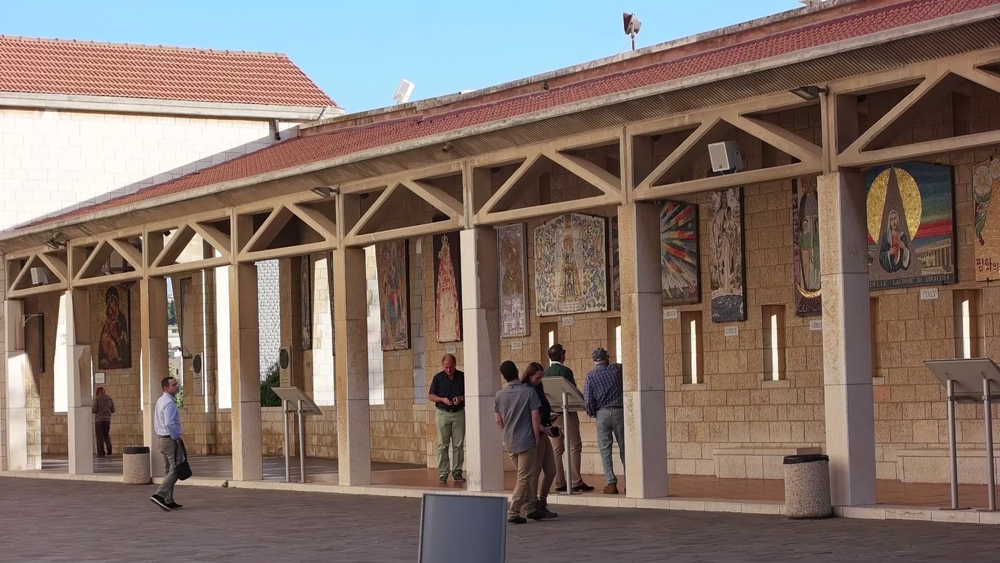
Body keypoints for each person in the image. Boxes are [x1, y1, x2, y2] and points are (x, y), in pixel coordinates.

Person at [494, 361, 544, 524]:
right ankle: (513, 511)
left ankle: (530, 507)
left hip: (510, 440)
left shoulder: (499, 395)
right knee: (523, 477)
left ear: (503, 376)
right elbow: (535, 416)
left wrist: (505, 433)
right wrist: (536, 436)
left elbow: (497, 419)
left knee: (525, 474)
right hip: (526, 439)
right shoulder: (529, 392)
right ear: (517, 371)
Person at [542, 344, 592, 492]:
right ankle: (576, 480)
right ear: (562, 355)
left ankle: (559, 482)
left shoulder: (545, 372)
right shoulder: (565, 371)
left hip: (552, 414)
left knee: (557, 449)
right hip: (567, 412)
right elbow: (572, 391)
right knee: (574, 445)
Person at [583, 348, 625, 494]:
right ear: (607, 357)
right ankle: (630, 482)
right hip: (619, 410)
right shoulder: (616, 369)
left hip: (602, 413)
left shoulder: (590, 376)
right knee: (625, 448)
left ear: (594, 361)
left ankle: (611, 483)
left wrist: (593, 413)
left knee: (605, 450)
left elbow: (588, 400)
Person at [520, 362, 558, 518]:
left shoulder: (538, 388)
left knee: (551, 470)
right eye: (537, 377)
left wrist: (548, 419)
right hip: (535, 434)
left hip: (543, 432)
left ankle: (542, 500)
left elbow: (540, 412)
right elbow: (530, 416)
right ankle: (533, 503)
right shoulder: (526, 390)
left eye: (541, 377)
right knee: (534, 471)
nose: (539, 380)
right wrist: (542, 428)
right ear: (529, 375)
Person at [428, 354, 465, 483]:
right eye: (446, 367)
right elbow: (431, 396)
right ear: (443, 366)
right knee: (442, 445)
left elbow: (470, 394)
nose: (449, 370)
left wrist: (460, 398)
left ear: (455, 364)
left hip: (458, 412)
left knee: (458, 445)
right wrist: (442, 399)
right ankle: (443, 473)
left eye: (451, 367)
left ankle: (457, 472)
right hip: (442, 412)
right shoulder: (437, 378)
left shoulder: (462, 376)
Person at [151, 377, 183, 511]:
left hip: (161, 438)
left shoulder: (160, 400)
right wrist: (176, 437)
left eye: (176, 384)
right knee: (175, 469)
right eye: (174, 385)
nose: (177, 386)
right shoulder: (169, 402)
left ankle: (168, 499)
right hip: (169, 439)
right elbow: (169, 423)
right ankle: (160, 494)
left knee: (168, 469)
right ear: (166, 388)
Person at [92, 387, 116, 457]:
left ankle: (101, 452)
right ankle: (109, 447)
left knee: (99, 436)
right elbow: (113, 410)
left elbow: (94, 409)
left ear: (97, 392)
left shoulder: (97, 398)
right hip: (107, 420)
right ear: (104, 391)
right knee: (106, 434)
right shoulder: (109, 398)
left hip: (99, 420)